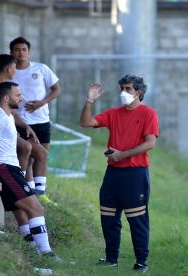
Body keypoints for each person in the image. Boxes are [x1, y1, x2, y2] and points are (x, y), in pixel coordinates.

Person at [80, 76, 158, 273]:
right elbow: (85, 122)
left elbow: (150, 143)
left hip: (135, 174)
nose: (124, 92)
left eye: (128, 88)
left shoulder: (149, 114)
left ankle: (141, 262)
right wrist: (89, 101)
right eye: (122, 88)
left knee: (137, 219)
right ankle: (110, 259)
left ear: (139, 92)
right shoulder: (114, 113)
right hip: (113, 173)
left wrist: (122, 154)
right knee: (108, 217)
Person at [0, 81, 59, 257]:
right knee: (36, 209)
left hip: (11, 168)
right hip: (3, 168)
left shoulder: (7, 115)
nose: (21, 97)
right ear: (6, 97)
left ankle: (33, 250)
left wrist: (27, 130)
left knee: (22, 211)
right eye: (18, 95)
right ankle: (47, 253)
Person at [11, 37, 61, 195]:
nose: (21, 53)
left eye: (24, 49)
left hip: (42, 119)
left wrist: (42, 102)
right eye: (17, 50)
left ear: (29, 52)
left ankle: (38, 191)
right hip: (20, 120)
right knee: (26, 154)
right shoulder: (10, 71)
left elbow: (56, 89)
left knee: (41, 155)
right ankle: (29, 189)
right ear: (12, 52)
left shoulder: (41, 69)